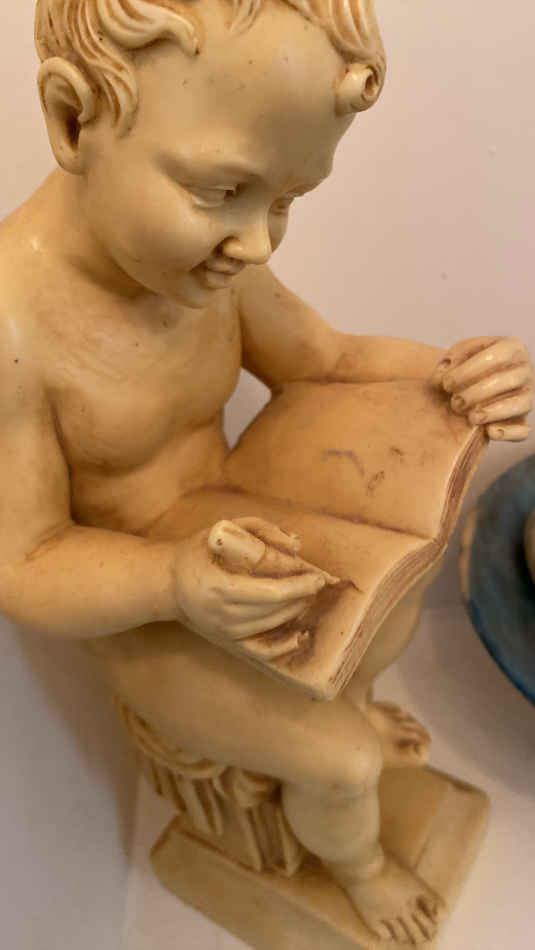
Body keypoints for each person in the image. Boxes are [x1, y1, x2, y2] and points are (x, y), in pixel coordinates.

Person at [0, 0, 531, 942]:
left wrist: (459, 376)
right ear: (73, 118)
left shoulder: (208, 265)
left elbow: (324, 359)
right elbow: (25, 562)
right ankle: (358, 869)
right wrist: (173, 581)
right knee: (343, 765)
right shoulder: (15, 335)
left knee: (389, 610)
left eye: (285, 201)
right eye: (222, 191)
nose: (257, 244)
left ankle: (349, 715)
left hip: (246, 550)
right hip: (150, 617)